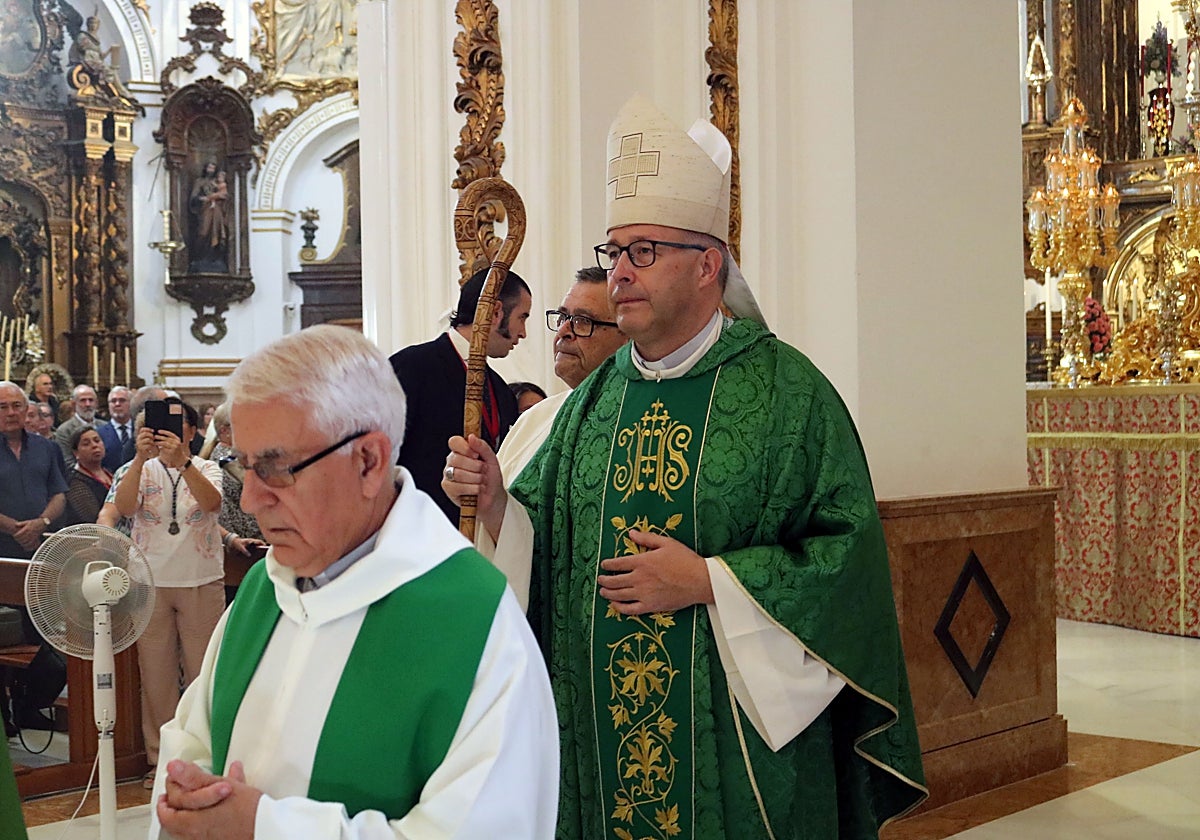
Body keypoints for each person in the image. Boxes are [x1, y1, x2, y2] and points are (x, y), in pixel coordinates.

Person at [444, 95, 926, 837]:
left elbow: (845, 561)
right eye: (615, 252)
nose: (620, 275)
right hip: (598, 752)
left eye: (644, 251)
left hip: (731, 757)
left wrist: (710, 581)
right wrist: (500, 500)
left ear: (707, 266)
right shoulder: (590, 403)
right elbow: (547, 545)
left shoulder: (789, 397)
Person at [149, 325, 558, 839]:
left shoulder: (472, 623)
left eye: (275, 468)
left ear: (368, 461)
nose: (250, 500)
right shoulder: (262, 592)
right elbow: (191, 740)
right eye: (242, 467)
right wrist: (190, 799)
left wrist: (266, 829)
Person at [109, 398, 223, 790]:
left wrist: (183, 463)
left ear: (190, 431)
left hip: (200, 580)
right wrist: (141, 460)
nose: (165, 434)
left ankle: (203, 757)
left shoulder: (207, 466)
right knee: (155, 677)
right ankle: (160, 760)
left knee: (201, 675)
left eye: (177, 427)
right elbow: (124, 508)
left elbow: (212, 503)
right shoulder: (136, 469)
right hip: (150, 581)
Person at [389, 267, 532, 523]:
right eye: (522, 317)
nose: (523, 332)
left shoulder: (501, 391)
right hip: (415, 536)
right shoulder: (412, 367)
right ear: (496, 312)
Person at [0, 382, 65, 559]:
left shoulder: (47, 447)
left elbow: (58, 494)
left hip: (42, 545)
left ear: (26, 409)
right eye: (3, 407)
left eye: (17, 405)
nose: (11, 412)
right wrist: (18, 530)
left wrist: (41, 523)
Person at [62, 427, 111, 526]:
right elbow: (92, 518)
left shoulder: (109, 472)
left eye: (97, 441)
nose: (94, 445)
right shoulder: (74, 482)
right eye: (86, 444)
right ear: (76, 453)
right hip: (92, 535)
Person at [54, 383, 103, 469]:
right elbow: (67, 462)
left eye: (91, 400)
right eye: (83, 400)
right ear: (73, 404)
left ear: (96, 403)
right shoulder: (64, 431)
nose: (88, 404)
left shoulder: (104, 426)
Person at [97, 385, 133, 471]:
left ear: (131, 403)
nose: (117, 404)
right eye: (113, 401)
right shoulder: (99, 433)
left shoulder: (140, 430)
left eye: (122, 400)